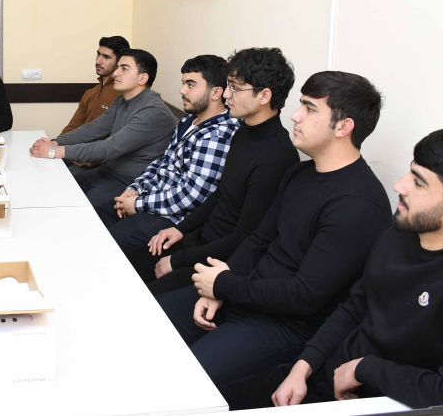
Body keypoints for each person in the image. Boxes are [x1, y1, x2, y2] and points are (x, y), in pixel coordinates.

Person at [232, 129, 443, 410]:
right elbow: (355, 306)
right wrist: (302, 367)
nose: (399, 186)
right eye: (410, 172)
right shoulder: (399, 233)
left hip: (374, 402)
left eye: (418, 182)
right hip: (324, 378)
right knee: (222, 401)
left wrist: (364, 370)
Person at [155, 71, 391, 390]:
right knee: (146, 325)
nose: (295, 115)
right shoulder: (300, 173)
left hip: (285, 325)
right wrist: (219, 289)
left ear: (343, 127)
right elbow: (258, 240)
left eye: (309, 108)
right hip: (244, 293)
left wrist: (224, 285)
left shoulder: (359, 204)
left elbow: (304, 296)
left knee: (178, 381)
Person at [125, 48, 298, 294]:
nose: (226, 94)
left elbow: (243, 237)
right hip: (200, 238)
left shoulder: (276, 156)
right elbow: (221, 193)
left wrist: (178, 260)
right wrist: (180, 229)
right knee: (122, 268)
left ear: (264, 96)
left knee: (140, 295)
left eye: (235, 88)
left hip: (221, 261)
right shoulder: (244, 132)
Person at [107, 55, 240, 252]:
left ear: (216, 93)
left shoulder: (218, 135)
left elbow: (192, 196)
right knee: (98, 217)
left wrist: (138, 204)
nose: (182, 90)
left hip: (173, 220)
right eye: (183, 83)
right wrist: (134, 189)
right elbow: (162, 163)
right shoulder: (188, 121)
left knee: (105, 243)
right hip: (153, 200)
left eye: (191, 84)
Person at [30, 49, 177, 220]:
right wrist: (56, 142)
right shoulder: (121, 101)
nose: (116, 73)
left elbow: (109, 148)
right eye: (117, 67)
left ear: (142, 78)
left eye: (124, 68)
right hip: (108, 171)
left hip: (129, 182)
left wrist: (54, 151)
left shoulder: (153, 111)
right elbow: (93, 129)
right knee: (56, 189)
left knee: (74, 213)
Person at [61, 35, 128, 173]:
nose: (98, 61)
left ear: (119, 62)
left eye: (106, 57)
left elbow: (121, 139)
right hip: (76, 154)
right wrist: (55, 143)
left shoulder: (124, 96)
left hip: (98, 162)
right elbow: (73, 127)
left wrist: (93, 160)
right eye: (98, 54)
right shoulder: (90, 92)